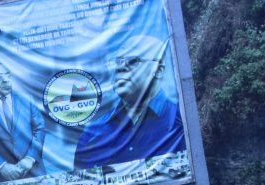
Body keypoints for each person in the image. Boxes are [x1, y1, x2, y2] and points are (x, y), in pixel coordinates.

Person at [74, 35, 186, 169]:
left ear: (158, 70)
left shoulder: (181, 121)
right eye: (117, 62)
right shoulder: (92, 133)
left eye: (133, 61)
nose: (120, 68)